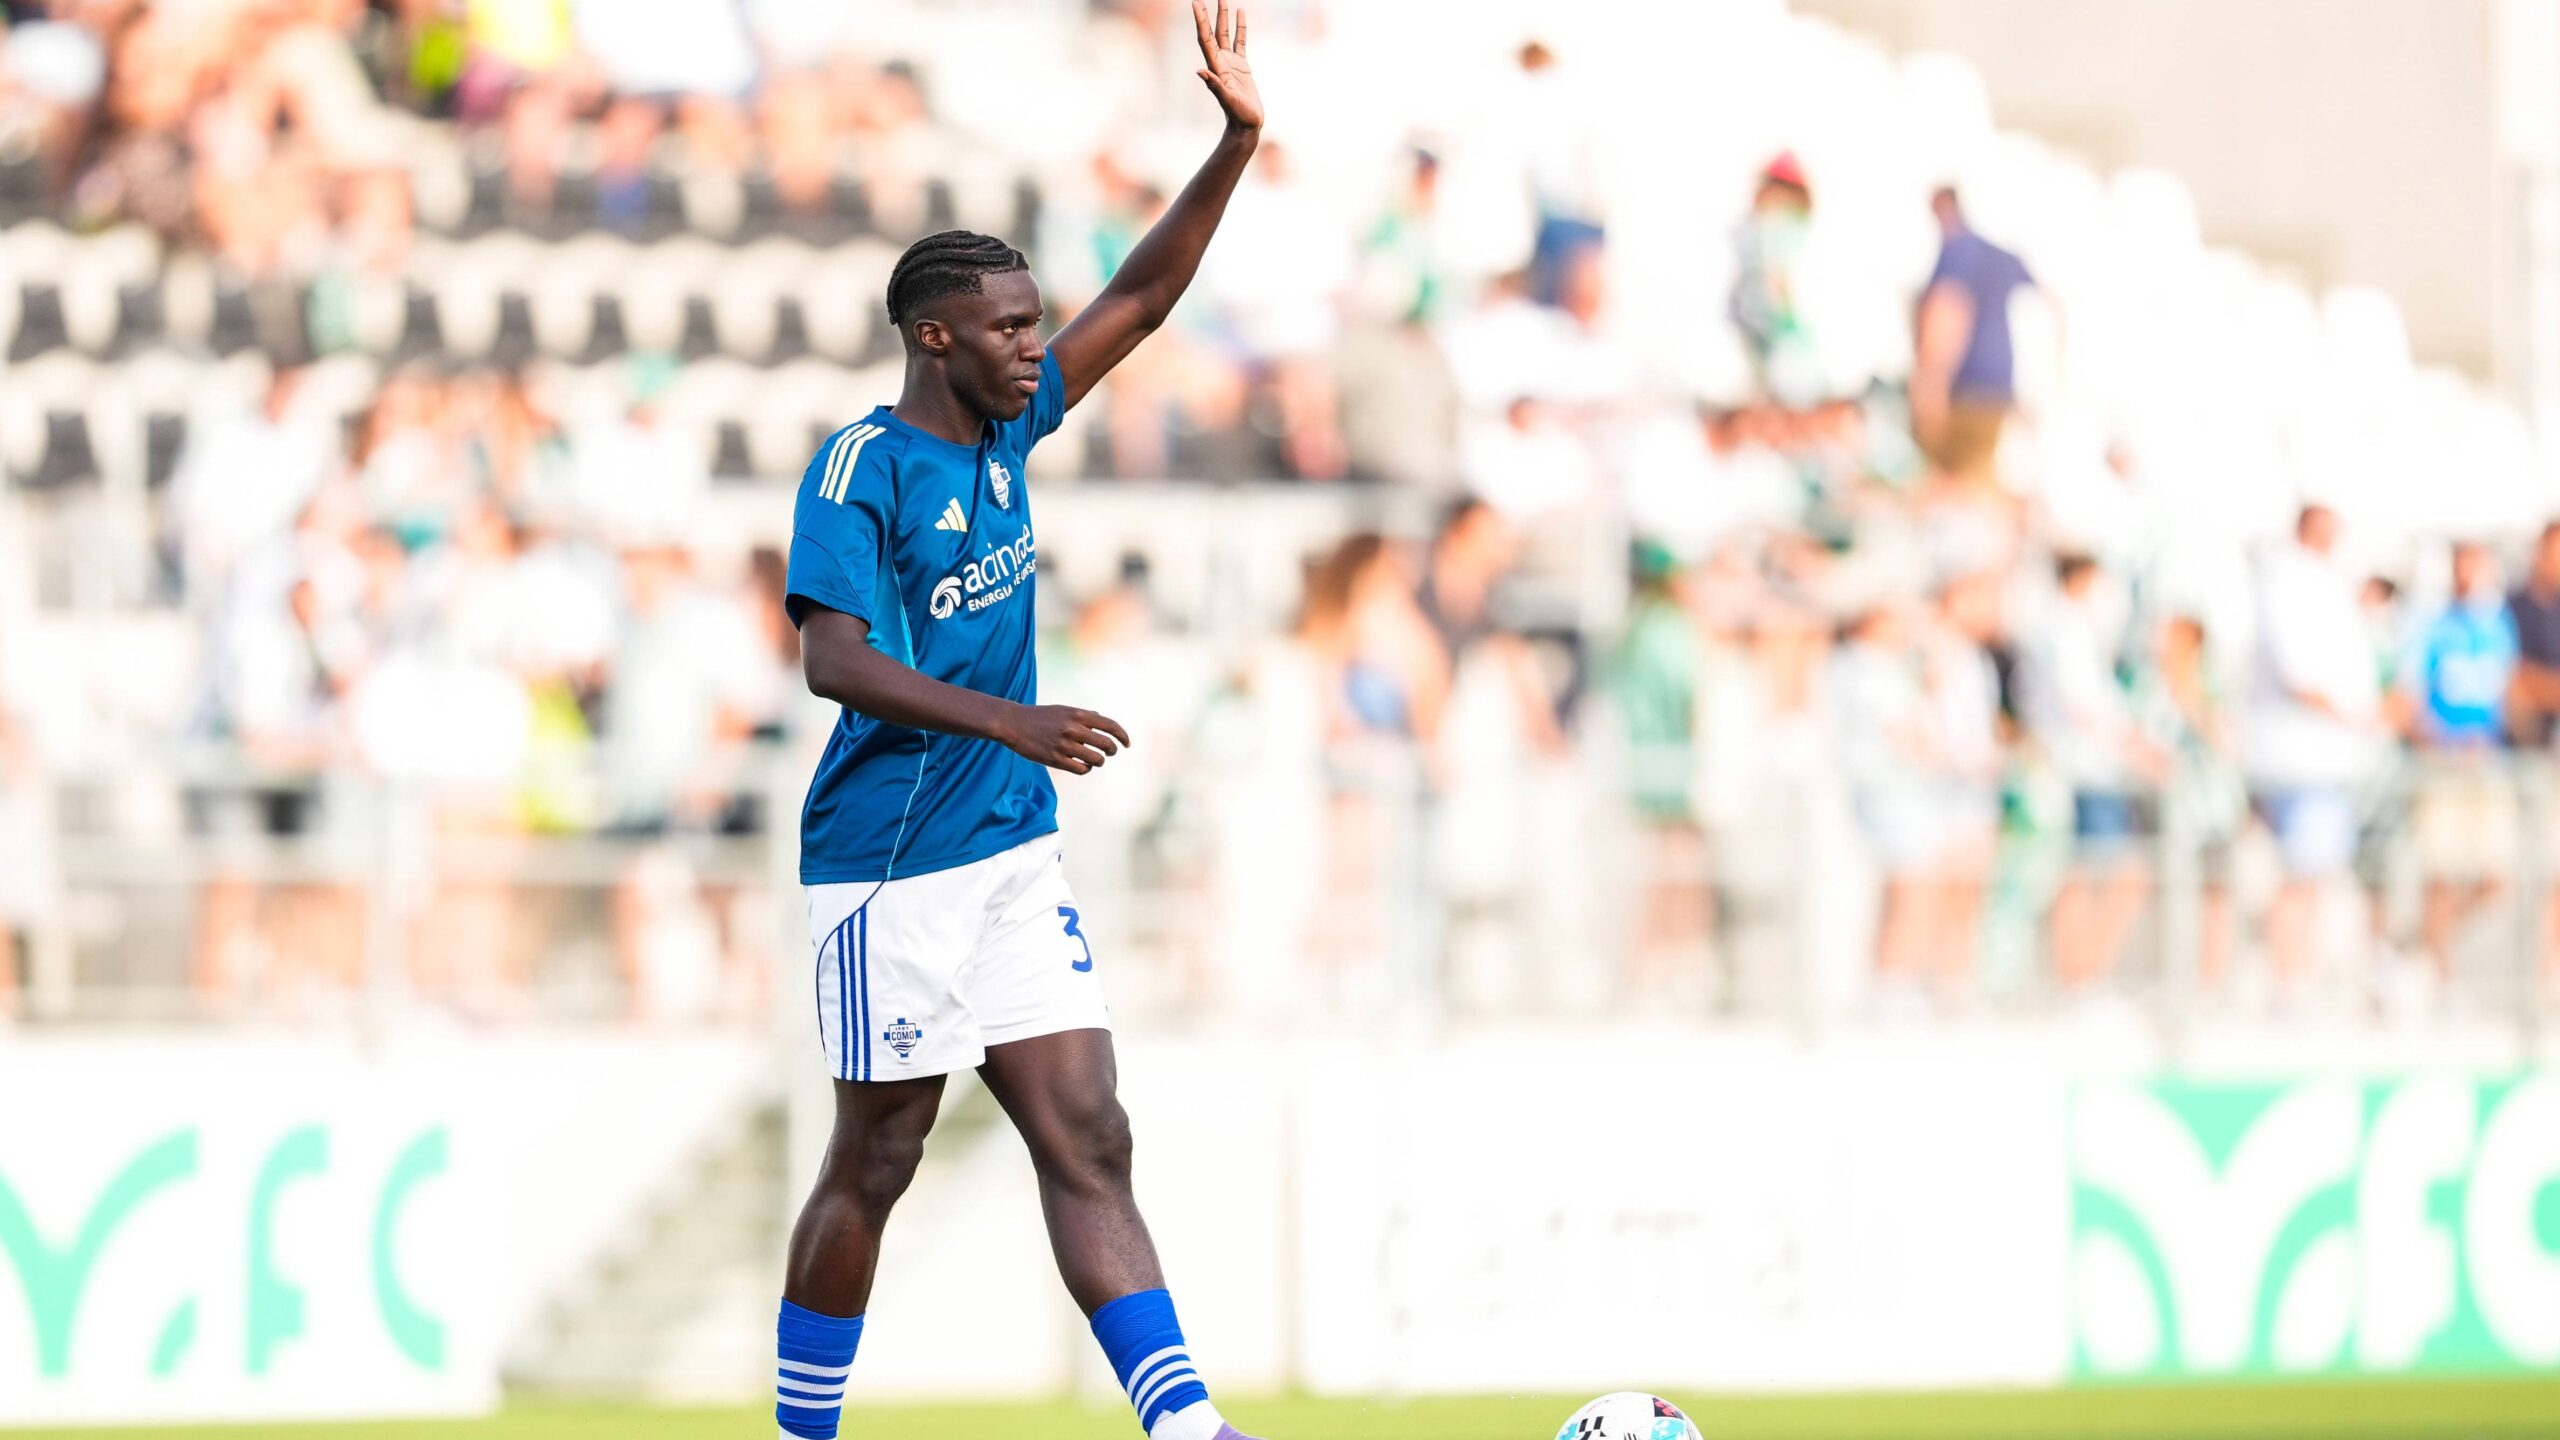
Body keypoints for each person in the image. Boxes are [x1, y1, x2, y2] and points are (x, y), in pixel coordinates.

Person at [771, 9, 1264, 1440]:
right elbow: (832, 662)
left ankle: (1187, 1427)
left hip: (1007, 849)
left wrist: (1235, 141)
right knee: (879, 1158)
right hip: (888, 861)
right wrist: (1011, 719)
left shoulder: (1008, 428)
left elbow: (1146, 297)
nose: (1035, 346)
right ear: (934, 337)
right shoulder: (859, 466)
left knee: (1089, 1128)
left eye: (1036, 322)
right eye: (1008, 328)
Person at [2245, 504, 2384, 993]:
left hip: (2321, 759)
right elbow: (2299, 674)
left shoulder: (2315, 582)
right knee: (2301, 875)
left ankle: (2298, 974)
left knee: (2315, 875)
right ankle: (2288, 977)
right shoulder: (2289, 583)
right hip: (2301, 758)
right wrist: (2355, 717)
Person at [2402, 541, 2520, 984]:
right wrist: (2444, 741)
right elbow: (2411, 698)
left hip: (2489, 766)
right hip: (2445, 766)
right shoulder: (2432, 625)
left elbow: (2508, 691)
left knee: (2496, 880)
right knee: (2442, 874)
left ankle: (2420, 944)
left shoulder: (2498, 625)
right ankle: (2439, 973)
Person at [1912, 186, 2037, 488]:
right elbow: (2046, 305)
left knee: (1955, 486)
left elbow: (1948, 312)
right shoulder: (2004, 255)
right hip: (1999, 389)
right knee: (1982, 480)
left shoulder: (1958, 250)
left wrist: (1931, 385)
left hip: (1965, 390)